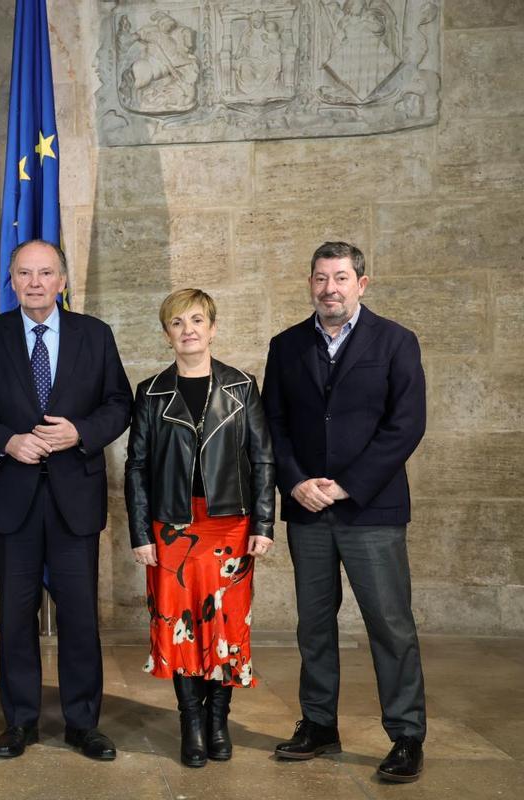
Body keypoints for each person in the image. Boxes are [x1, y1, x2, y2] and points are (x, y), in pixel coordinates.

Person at [264, 241, 427, 783]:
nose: (329, 288)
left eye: (340, 278)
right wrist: (296, 482)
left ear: (362, 283)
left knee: (390, 625)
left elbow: (406, 425)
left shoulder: (396, 342)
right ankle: (317, 723)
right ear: (310, 284)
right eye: (319, 278)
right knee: (313, 623)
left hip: (371, 510)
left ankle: (405, 735)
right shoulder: (285, 345)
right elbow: (274, 427)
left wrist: (346, 487)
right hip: (307, 509)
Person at [0, 240, 131, 761]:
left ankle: (83, 723)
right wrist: (6, 441)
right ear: (11, 281)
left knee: (80, 615)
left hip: (73, 497)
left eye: (45, 273)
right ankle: (20, 722)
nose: (35, 282)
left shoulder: (94, 334)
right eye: (24, 273)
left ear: (62, 280)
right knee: (15, 617)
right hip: (12, 498)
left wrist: (79, 432)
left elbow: (119, 404)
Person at [124, 288, 275, 768]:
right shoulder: (150, 391)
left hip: (230, 525)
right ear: (167, 333)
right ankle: (191, 722)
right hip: (171, 527)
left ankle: (219, 721)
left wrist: (265, 523)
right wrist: (140, 533)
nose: (188, 329)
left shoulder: (242, 386)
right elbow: (137, 465)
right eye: (177, 322)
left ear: (212, 327)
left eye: (196, 320)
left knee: (225, 625)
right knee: (179, 627)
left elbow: (262, 457)